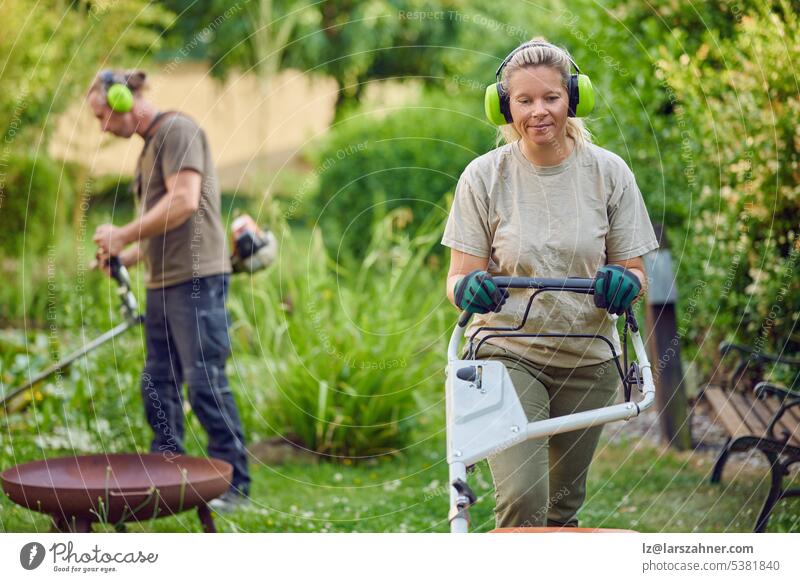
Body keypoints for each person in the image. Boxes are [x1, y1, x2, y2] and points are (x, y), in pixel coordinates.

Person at [442, 40, 659, 528]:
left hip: (589, 360)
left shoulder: (609, 174)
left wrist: (626, 283)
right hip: (506, 352)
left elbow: (635, 272)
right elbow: (457, 278)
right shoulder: (484, 178)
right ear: (504, 106)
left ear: (574, 99)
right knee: (524, 501)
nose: (539, 112)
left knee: (560, 511)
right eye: (524, 101)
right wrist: (467, 288)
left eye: (551, 98)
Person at [88, 69, 250, 512]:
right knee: (158, 382)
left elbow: (183, 202)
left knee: (204, 383)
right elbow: (164, 227)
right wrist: (124, 256)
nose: (102, 125)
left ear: (124, 100)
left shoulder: (178, 131)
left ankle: (234, 485)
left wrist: (121, 234)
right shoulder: (150, 147)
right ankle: (166, 473)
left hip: (195, 280)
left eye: (102, 115)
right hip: (165, 280)